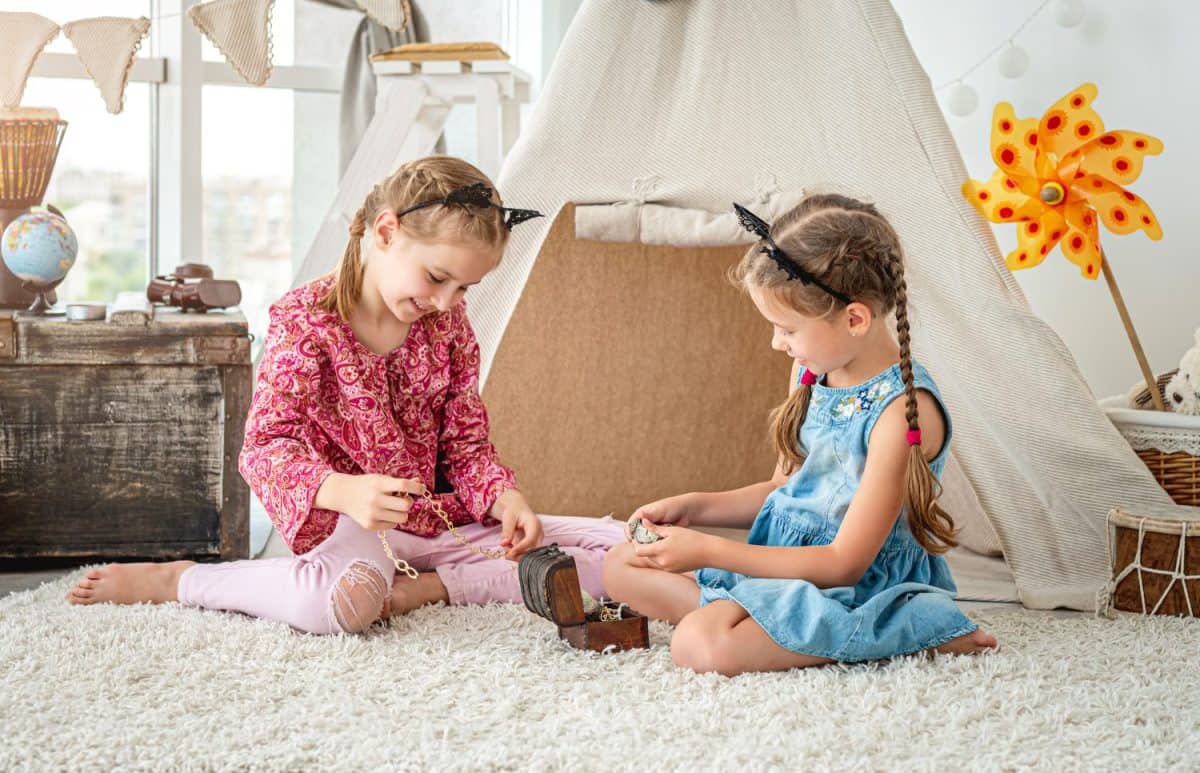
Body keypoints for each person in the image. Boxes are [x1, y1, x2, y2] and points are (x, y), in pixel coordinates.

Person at [68, 156, 626, 634]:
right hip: (352, 531)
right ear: (385, 233)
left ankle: (431, 587)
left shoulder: (448, 327)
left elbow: (467, 445)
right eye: (437, 278)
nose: (449, 302)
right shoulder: (305, 324)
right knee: (340, 604)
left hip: (442, 521)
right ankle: (182, 580)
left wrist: (506, 502)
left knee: (622, 550)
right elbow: (264, 448)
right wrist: (344, 491)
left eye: (464, 289)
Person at [603, 193, 997, 675]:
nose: (777, 343)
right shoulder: (813, 373)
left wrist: (706, 550)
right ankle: (755, 620)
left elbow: (844, 562)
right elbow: (782, 491)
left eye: (786, 329)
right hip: (782, 560)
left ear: (855, 319)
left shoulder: (902, 415)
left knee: (699, 644)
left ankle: (914, 625)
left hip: (849, 581)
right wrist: (695, 506)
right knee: (619, 565)